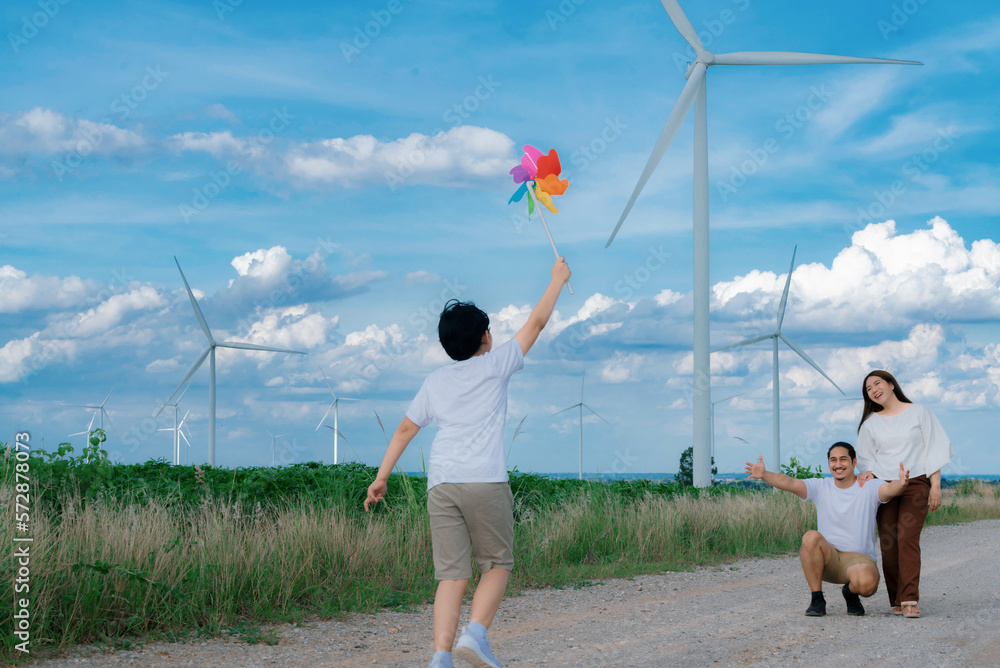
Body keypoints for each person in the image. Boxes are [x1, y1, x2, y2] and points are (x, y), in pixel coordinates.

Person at [364, 258, 571, 668]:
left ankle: (441, 657)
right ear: (485, 337)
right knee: (496, 563)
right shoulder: (496, 365)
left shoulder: (435, 381)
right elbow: (535, 325)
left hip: (440, 484)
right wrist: (557, 281)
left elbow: (405, 430)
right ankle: (475, 636)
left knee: (451, 575)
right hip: (485, 481)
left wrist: (381, 476)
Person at [745, 442, 909, 617]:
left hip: (858, 560)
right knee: (810, 537)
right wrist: (764, 475)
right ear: (829, 463)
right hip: (829, 557)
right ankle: (817, 600)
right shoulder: (821, 486)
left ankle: (850, 593)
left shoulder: (869, 486)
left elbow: (889, 490)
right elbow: (790, 482)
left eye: (843, 459)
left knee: (868, 585)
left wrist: (901, 483)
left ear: (854, 462)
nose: (838, 465)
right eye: (833, 460)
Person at [855, 369, 955, 619]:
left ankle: (910, 598)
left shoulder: (919, 412)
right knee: (889, 544)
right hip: (885, 486)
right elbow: (867, 460)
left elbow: (934, 448)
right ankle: (896, 600)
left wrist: (935, 486)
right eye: (868, 389)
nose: (874, 390)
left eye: (878, 384)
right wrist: (867, 475)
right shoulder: (870, 423)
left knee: (907, 537)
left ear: (891, 385)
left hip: (916, 483)